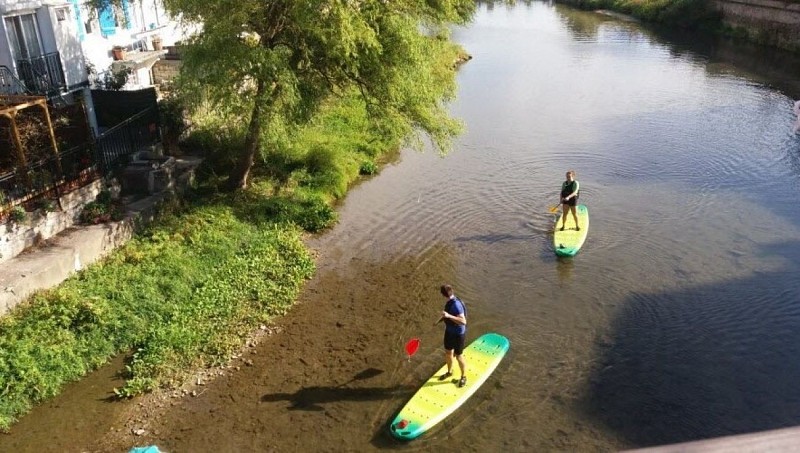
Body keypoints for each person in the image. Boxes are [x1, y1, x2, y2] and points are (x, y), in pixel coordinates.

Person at [433, 284, 467, 388]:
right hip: (449, 332)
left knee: (458, 356)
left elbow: (463, 321)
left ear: (443, 294)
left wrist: (448, 316)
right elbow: (446, 314)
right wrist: (438, 321)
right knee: (448, 353)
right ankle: (449, 372)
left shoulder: (456, 304)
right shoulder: (450, 302)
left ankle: (463, 377)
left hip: (458, 334)